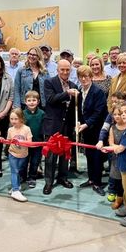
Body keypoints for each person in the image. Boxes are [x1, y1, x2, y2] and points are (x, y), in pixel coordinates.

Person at [41, 59, 77, 193]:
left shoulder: (74, 85)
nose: (65, 72)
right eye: (62, 69)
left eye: (68, 70)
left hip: (67, 125)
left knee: (65, 154)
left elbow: (74, 108)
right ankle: (48, 182)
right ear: (57, 70)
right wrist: (67, 93)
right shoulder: (49, 82)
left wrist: (75, 124)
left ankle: (63, 177)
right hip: (53, 125)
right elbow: (50, 100)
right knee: (50, 156)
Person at [74, 65, 108, 194]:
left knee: (97, 156)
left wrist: (86, 124)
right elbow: (80, 110)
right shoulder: (79, 91)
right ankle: (90, 179)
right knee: (88, 155)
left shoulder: (97, 92)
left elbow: (98, 113)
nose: (83, 79)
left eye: (86, 76)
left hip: (97, 129)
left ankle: (97, 182)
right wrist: (79, 123)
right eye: (81, 76)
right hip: (86, 129)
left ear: (91, 77)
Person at [5, 108, 32, 202]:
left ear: (21, 118)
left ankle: (16, 185)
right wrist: (2, 139)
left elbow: (30, 142)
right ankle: (15, 190)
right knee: (14, 171)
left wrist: (21, 142)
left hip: (23, 154)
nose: (13, 121)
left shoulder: (26, 129)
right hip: (12, 153)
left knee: (19, 170)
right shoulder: (10, 130)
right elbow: (8, 141)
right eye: (11, 119)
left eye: (15, 119)